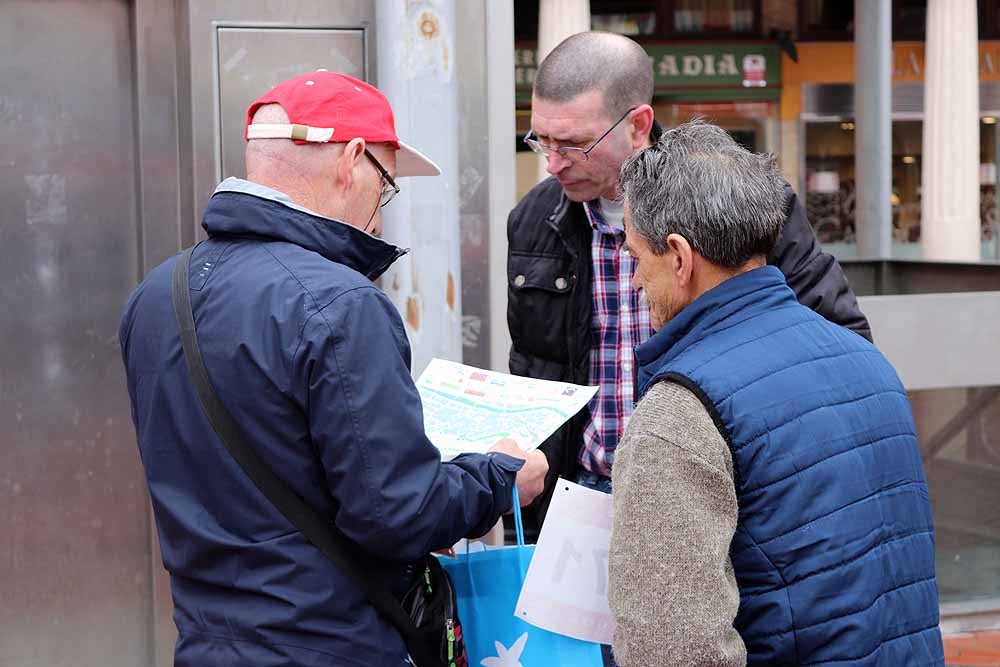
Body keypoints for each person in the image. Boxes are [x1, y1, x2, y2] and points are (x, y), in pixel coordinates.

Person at [119, 71, 548, 667]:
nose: (381, 214)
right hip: (332, 643)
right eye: (386, 185)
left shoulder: (155, 294)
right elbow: (397, 514)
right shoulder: (341, 302)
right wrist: (499, 476)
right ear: (351, 160)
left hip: (206, 643)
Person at [608, 120, 944, 666]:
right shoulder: (867, 363)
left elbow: (672, 649)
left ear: (680, 257)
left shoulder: (681, 410)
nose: (635, 281)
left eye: (636, 257)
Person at [507, 31, 871, 526]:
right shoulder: (532, 220)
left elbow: (840, 345)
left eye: (572, 145)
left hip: (720, 496)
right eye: (540, 141)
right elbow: (532, 373)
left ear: (638, 125)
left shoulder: (744, 202)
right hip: (580, 497)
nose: (552, 165)